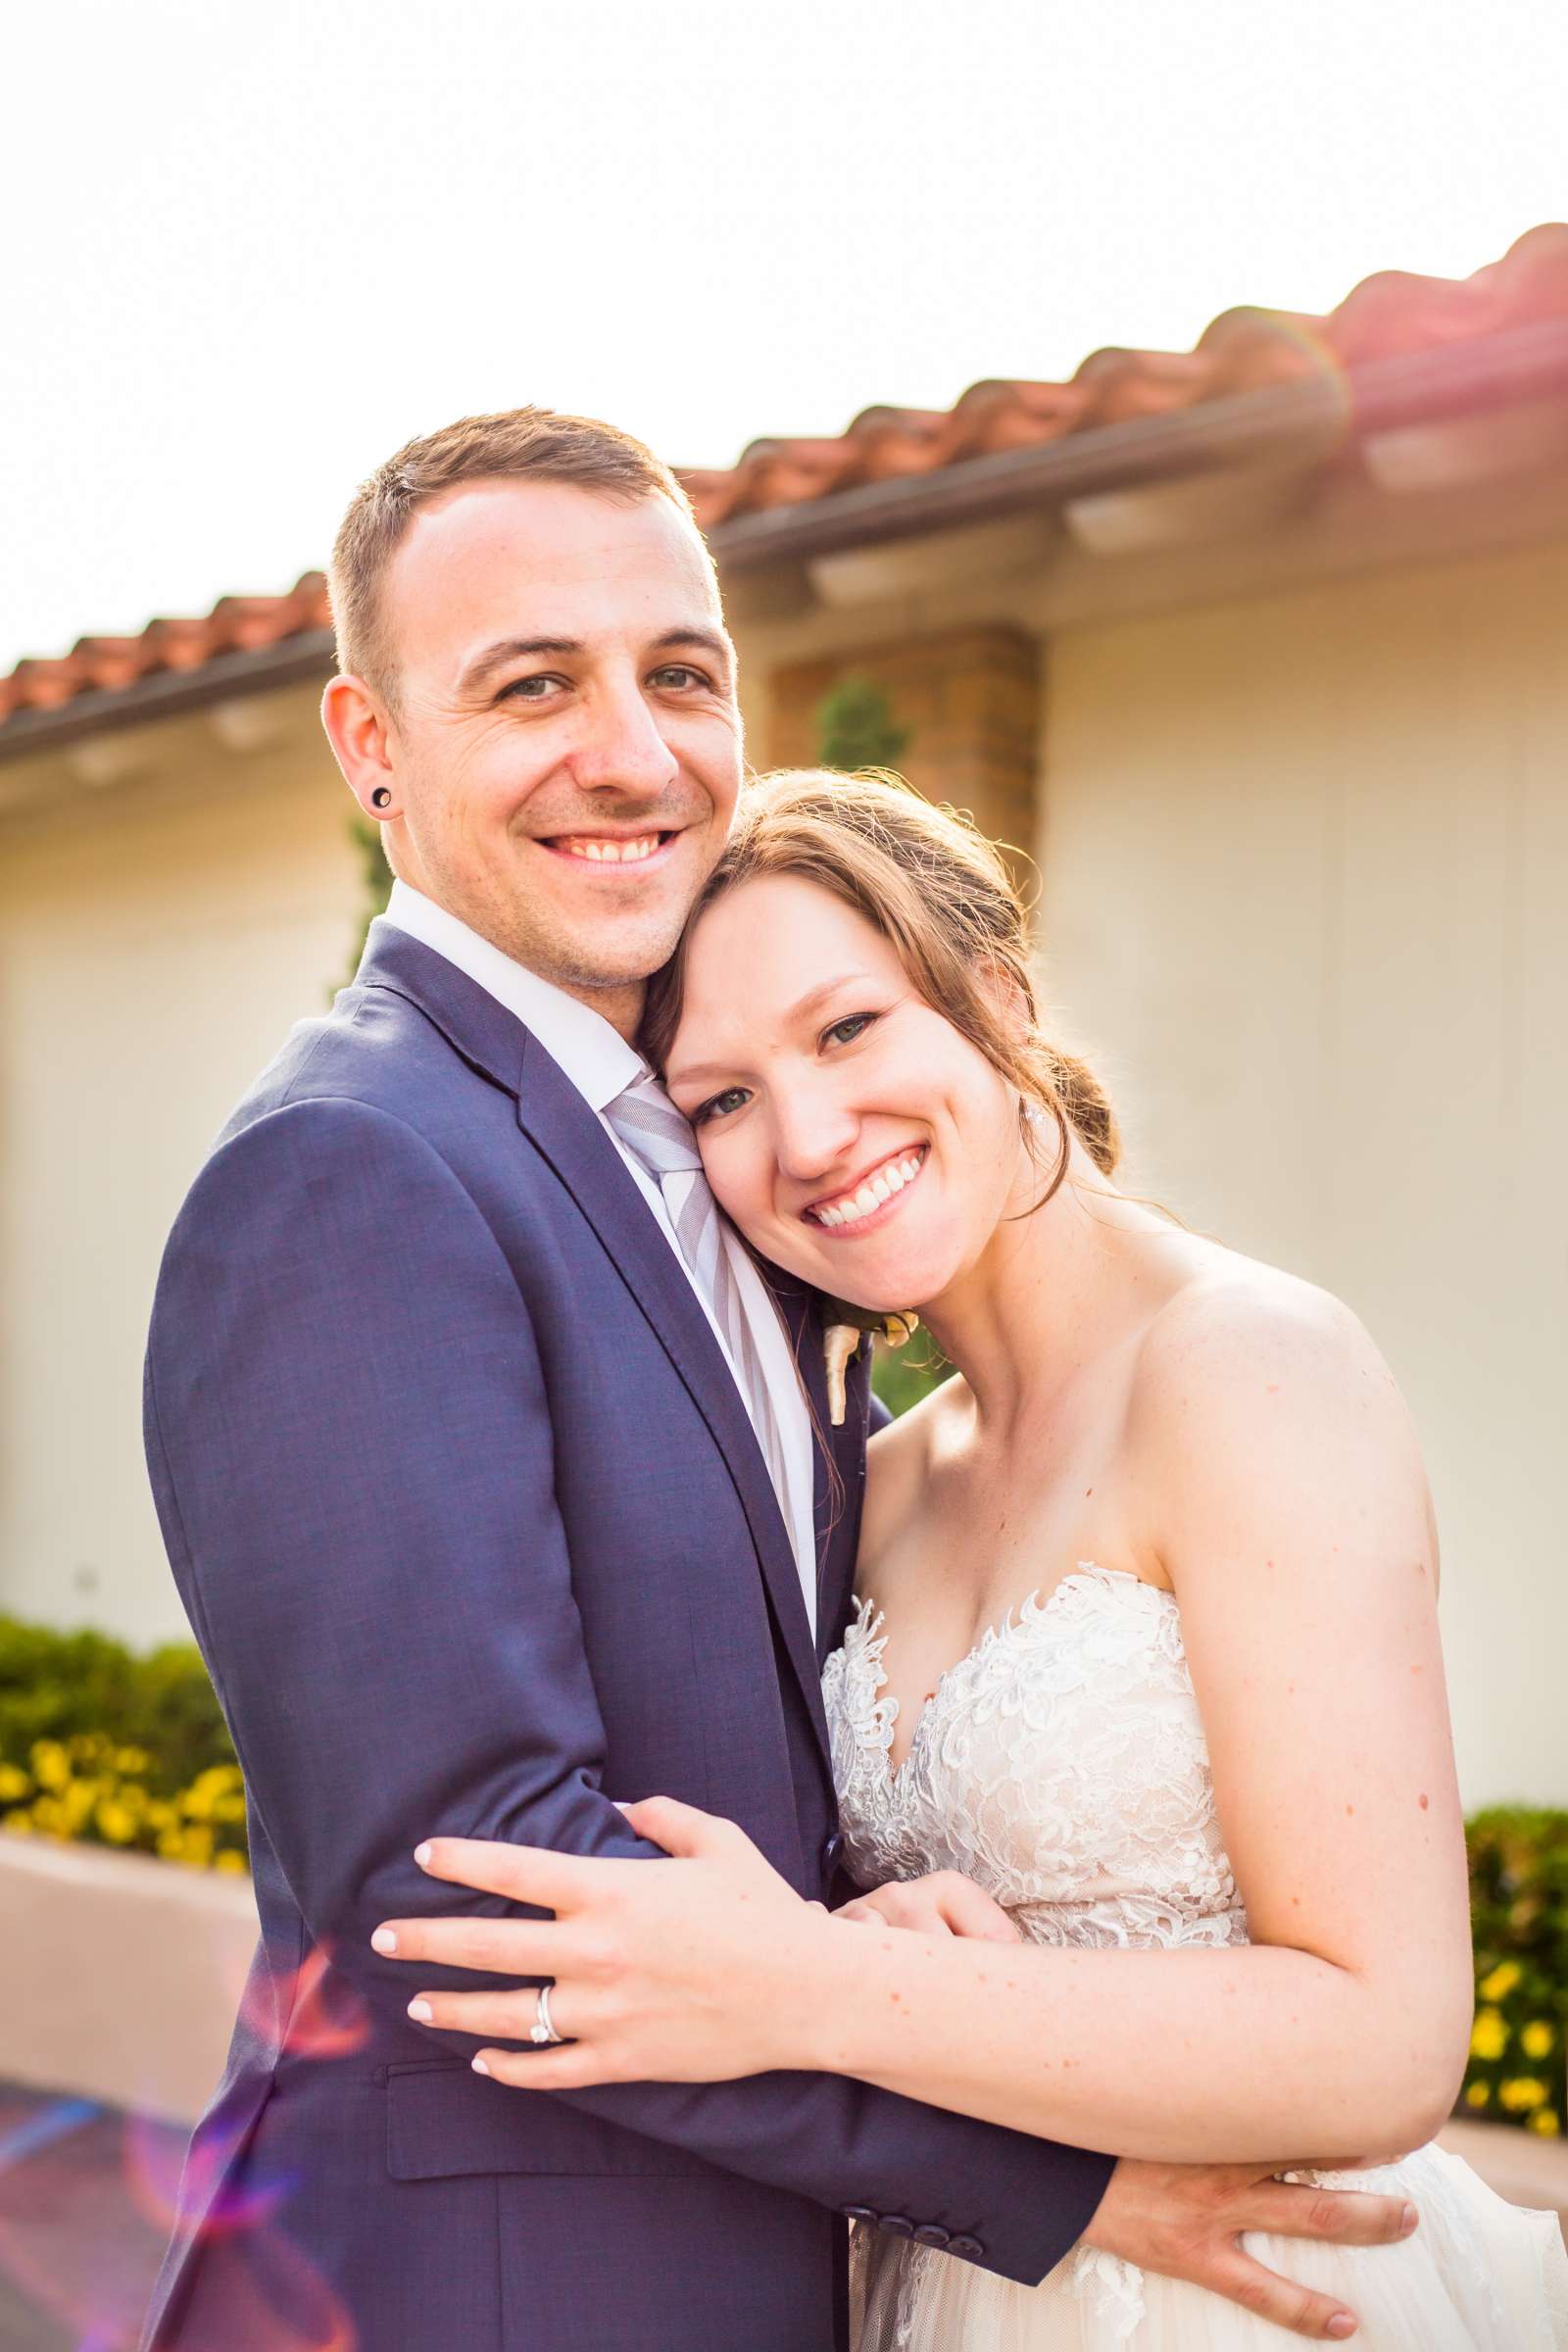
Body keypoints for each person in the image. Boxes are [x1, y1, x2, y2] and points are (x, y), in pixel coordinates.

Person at [142, 410, 1415, 2352]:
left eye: (675, 673)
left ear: (994, 993)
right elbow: (471, 1890)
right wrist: (1044, 2179)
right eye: (529, 685)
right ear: (370, 748)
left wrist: (854, 1936)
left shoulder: (719, 1206)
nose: (631, 753)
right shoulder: (354, 1167)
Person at [378, 769, 1568, 2348]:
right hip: (956, 2285)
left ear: (994, 998)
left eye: (848, 1029)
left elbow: (1385, 2040)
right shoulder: (872, 1485)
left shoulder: (1246, 1368)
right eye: (720, 1099)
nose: (806, 1134)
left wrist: (818, 1985)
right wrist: (888, 1940)